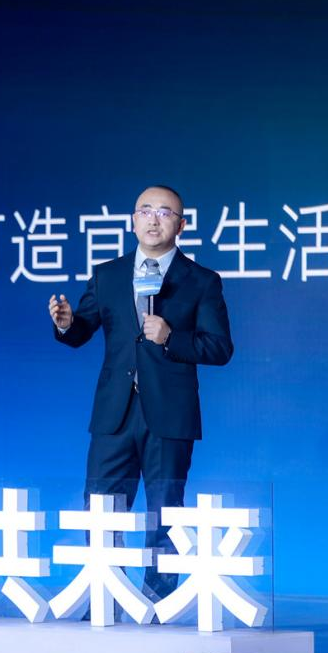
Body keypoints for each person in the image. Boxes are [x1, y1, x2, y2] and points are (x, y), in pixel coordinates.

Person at [49, 185, 233, 600]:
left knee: (164, 512)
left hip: (169, 414)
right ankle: (106, 600)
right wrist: (65, 323)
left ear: (180, 225)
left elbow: (220, 348)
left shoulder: (201, 281)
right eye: (145, 211)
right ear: (133, 221)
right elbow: (81, 331)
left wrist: (171, 337)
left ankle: (157, 603)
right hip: (114, 413)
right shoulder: (108, 275)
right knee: (101, 509)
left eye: (165, 213)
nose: (154, 219)